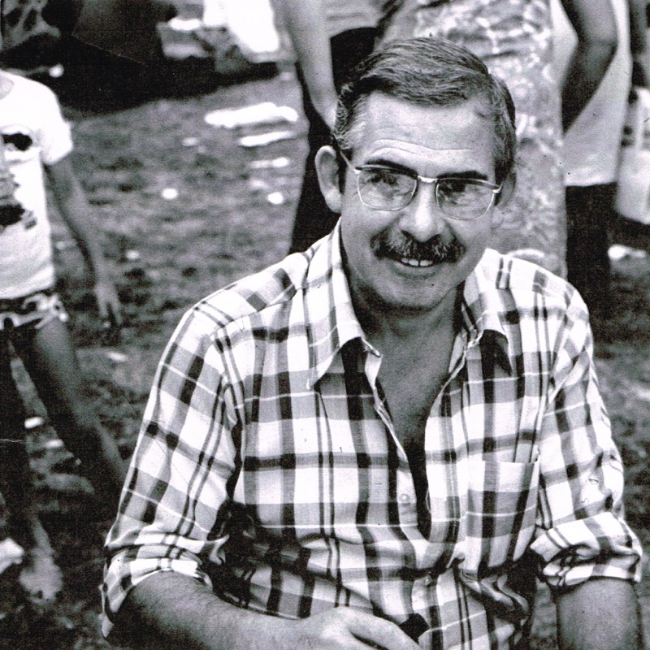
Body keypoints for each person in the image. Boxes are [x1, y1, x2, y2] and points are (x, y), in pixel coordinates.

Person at [103, 38, 642, 650]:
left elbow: (591, 553)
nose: (422, 224)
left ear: (504, 194)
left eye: (459, 187)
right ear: (333, 180)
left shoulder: (547, 317)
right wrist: (281, 642)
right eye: (388, 180)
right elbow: (142, 570)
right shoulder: (229, 341)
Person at [0, 67, 127, 602]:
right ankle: (33, 543)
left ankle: (140, 524)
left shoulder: (32, 100)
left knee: (78, 420)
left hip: (34, 294)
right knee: (5, 432)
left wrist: (101, 274)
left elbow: (69, 191)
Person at [382, 0, 619, 278]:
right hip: (519, 109)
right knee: (521, 278)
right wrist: (549, 124)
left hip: (411, 96)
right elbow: (602, 38)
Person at [554, 0, 649, 315]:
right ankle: (587, 304)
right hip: (594, 53)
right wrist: (639, 54)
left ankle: (579, 310)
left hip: (579, 58)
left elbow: (603, 39)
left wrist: (551, 125)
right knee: (586, 185)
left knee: (576, 185)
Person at [276, 0, 382, 254]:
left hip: (368, 38)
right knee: (334, 173)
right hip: (339, 45)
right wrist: (324, 98)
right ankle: (308, 268)